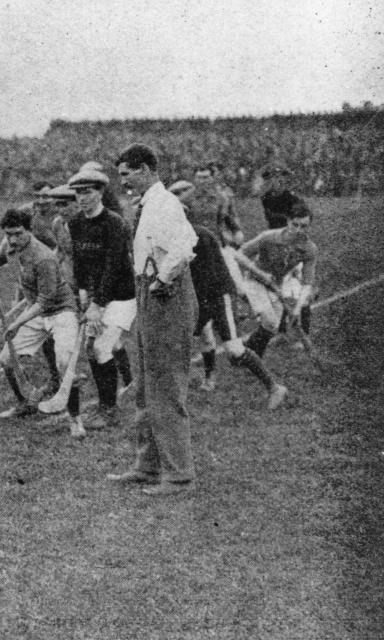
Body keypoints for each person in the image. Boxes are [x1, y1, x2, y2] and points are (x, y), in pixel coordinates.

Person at [108, 144, 198, 496]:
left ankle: (179, 476)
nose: (124, 180)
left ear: (145, 169)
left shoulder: (165, 203)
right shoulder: (147, 203)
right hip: (147, 290)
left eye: (127, 173)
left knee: (164, 387)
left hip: (166, 295)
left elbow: (185, 244)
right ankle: (147, 466)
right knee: (145, 387)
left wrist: (163, 279)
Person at [171, 200, 290, 408]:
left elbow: (210, 278)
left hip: (218, 298)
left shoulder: (201, 237)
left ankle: (274, 388)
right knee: (181, 340)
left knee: (234, 349)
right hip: (202, 299)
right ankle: (185, 387)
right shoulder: (176, 238)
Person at [0, 208, 85, 437]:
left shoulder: (44, 257)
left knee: (65, 362)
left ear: (29, 231)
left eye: (18, 234)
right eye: (9, 234)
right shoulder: (11, 244)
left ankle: (75, 419)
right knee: (6, 360)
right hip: (35, 310)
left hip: (60, 310)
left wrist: (16, 323)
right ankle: (25, 403)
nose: (13, 239)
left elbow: (45, 301)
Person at [62, 168, 136, 430]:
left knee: (101, 348)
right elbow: (81, 264)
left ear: (101, 192)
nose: (82, 198)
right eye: (79, 193)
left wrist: (97, 304)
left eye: (88, 192)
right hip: (96, 296)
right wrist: (84, 295)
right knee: (93, 349)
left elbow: (113, 267)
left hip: (122, 296)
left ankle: (111, 410)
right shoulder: (76, 223)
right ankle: (108, 402)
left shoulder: (115, 223)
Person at [234, 204, 318, 358]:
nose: (299, 230)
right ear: (288, 221)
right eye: (295, 225)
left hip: (276, 285)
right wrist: (259, 273)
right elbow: (239, 254)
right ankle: (248, 356)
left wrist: (297, 309)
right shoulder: (269, 237)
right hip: (255, 281)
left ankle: (249, 355)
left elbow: (307, 283)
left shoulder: (309, 249)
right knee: (271, 321)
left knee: (271, 327)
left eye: (304, 226)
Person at [259, 163, 307, 229]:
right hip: (276, 229)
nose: (280, 180)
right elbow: (269, 215)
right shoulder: (267, 197)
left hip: (289, 230)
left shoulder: (291, 197)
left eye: (281, 177)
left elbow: (303, 213)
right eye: (276, 177)